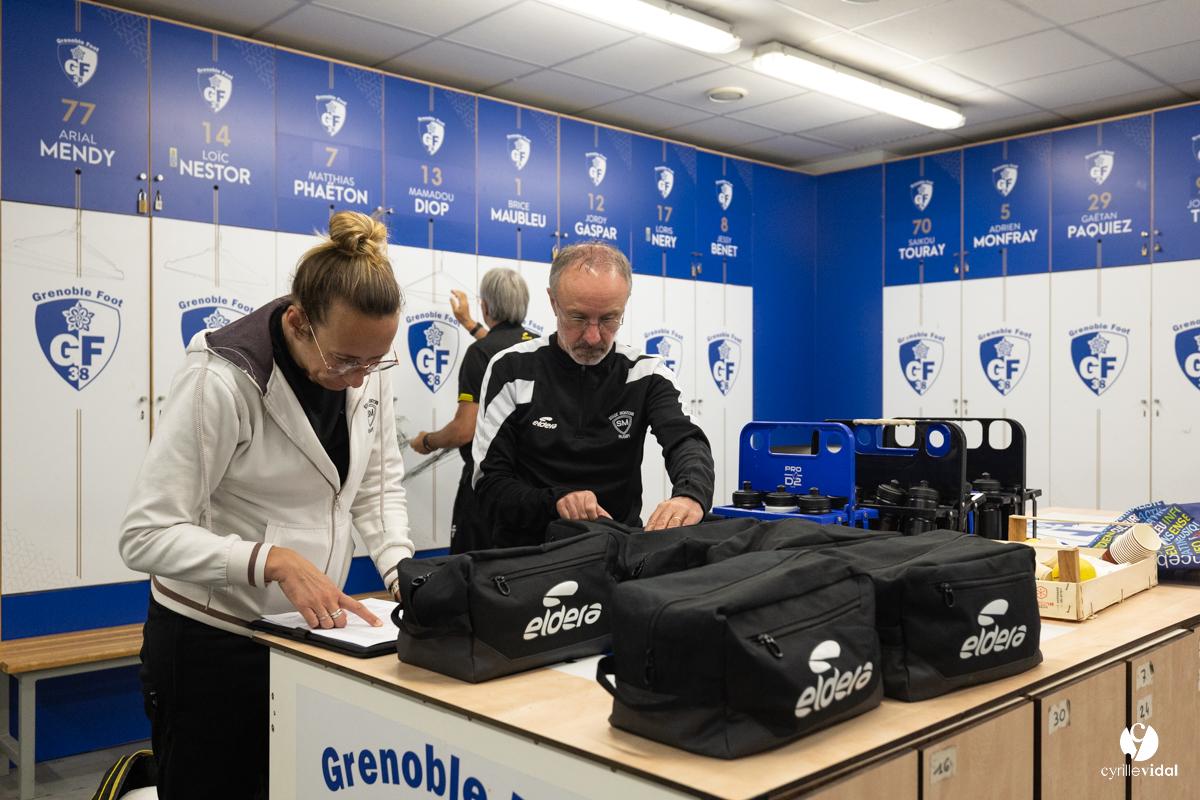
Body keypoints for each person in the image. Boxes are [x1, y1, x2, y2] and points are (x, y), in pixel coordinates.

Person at [119, 211, 414, 800]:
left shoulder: (361, 357)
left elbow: (377, 489)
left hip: (306, 641)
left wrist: (403, 572)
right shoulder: (223, 376)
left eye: (374, 363)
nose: (359, 380)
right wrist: (269, 560)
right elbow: (144, 534)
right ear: (300, 322)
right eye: (344, 363)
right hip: (212, 644)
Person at [471, 241, 714, 548]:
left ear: (624, 305)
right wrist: (555, 502)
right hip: (526, 560)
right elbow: (488, 486)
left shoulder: (646, 374)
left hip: (617, 555)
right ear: (553, 302)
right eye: (578, 318)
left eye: (610, 318)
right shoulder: (511, 369)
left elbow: (687, 442)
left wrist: (690, 495)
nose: (594, 336)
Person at [410, 269, 537, 553]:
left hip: (490, 488)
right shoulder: (542, 346)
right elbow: (504, 347)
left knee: (473, 574)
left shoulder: (480, 354)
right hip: (536, 488)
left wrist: (427, 441)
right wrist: (469, 324)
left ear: (485, 306)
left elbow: (464, 430)